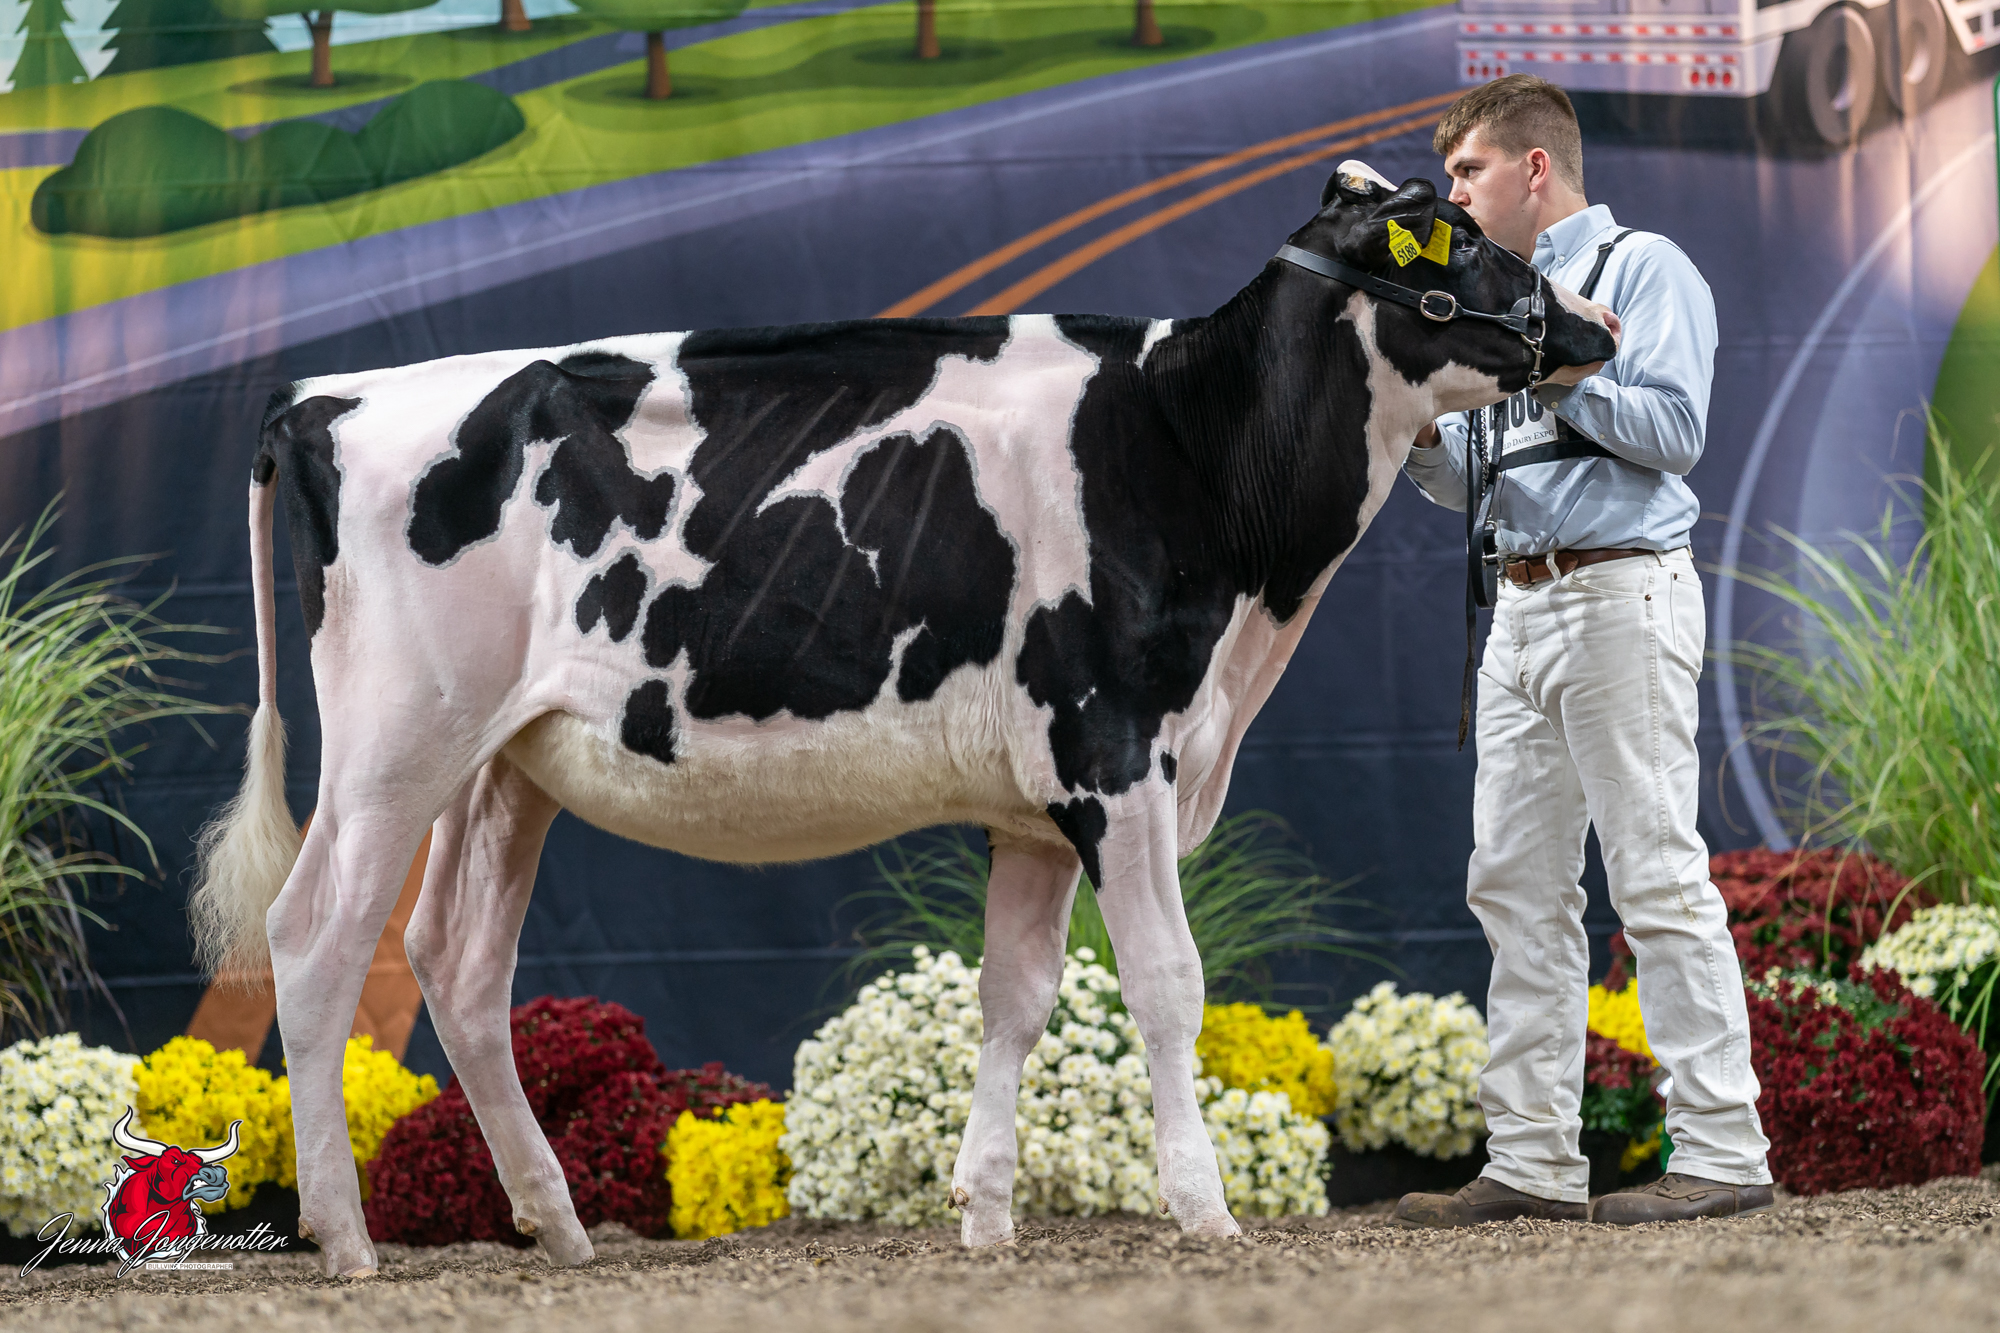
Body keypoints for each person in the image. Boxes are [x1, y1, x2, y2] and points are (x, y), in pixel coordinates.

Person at [1392, 74, 1773, 1227]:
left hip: (1617, 590)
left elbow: (1676, 431)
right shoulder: (1488, 304)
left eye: (1467, 171)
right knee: (1512, 886)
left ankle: (1723, 1150)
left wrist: (1559, 370)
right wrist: (1418, 433)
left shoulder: (1642, 268)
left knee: (1652, 873)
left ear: (1533, 168)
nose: (1454, 194)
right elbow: (1472, 476)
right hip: (1518, 610)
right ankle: (1530, 1162)